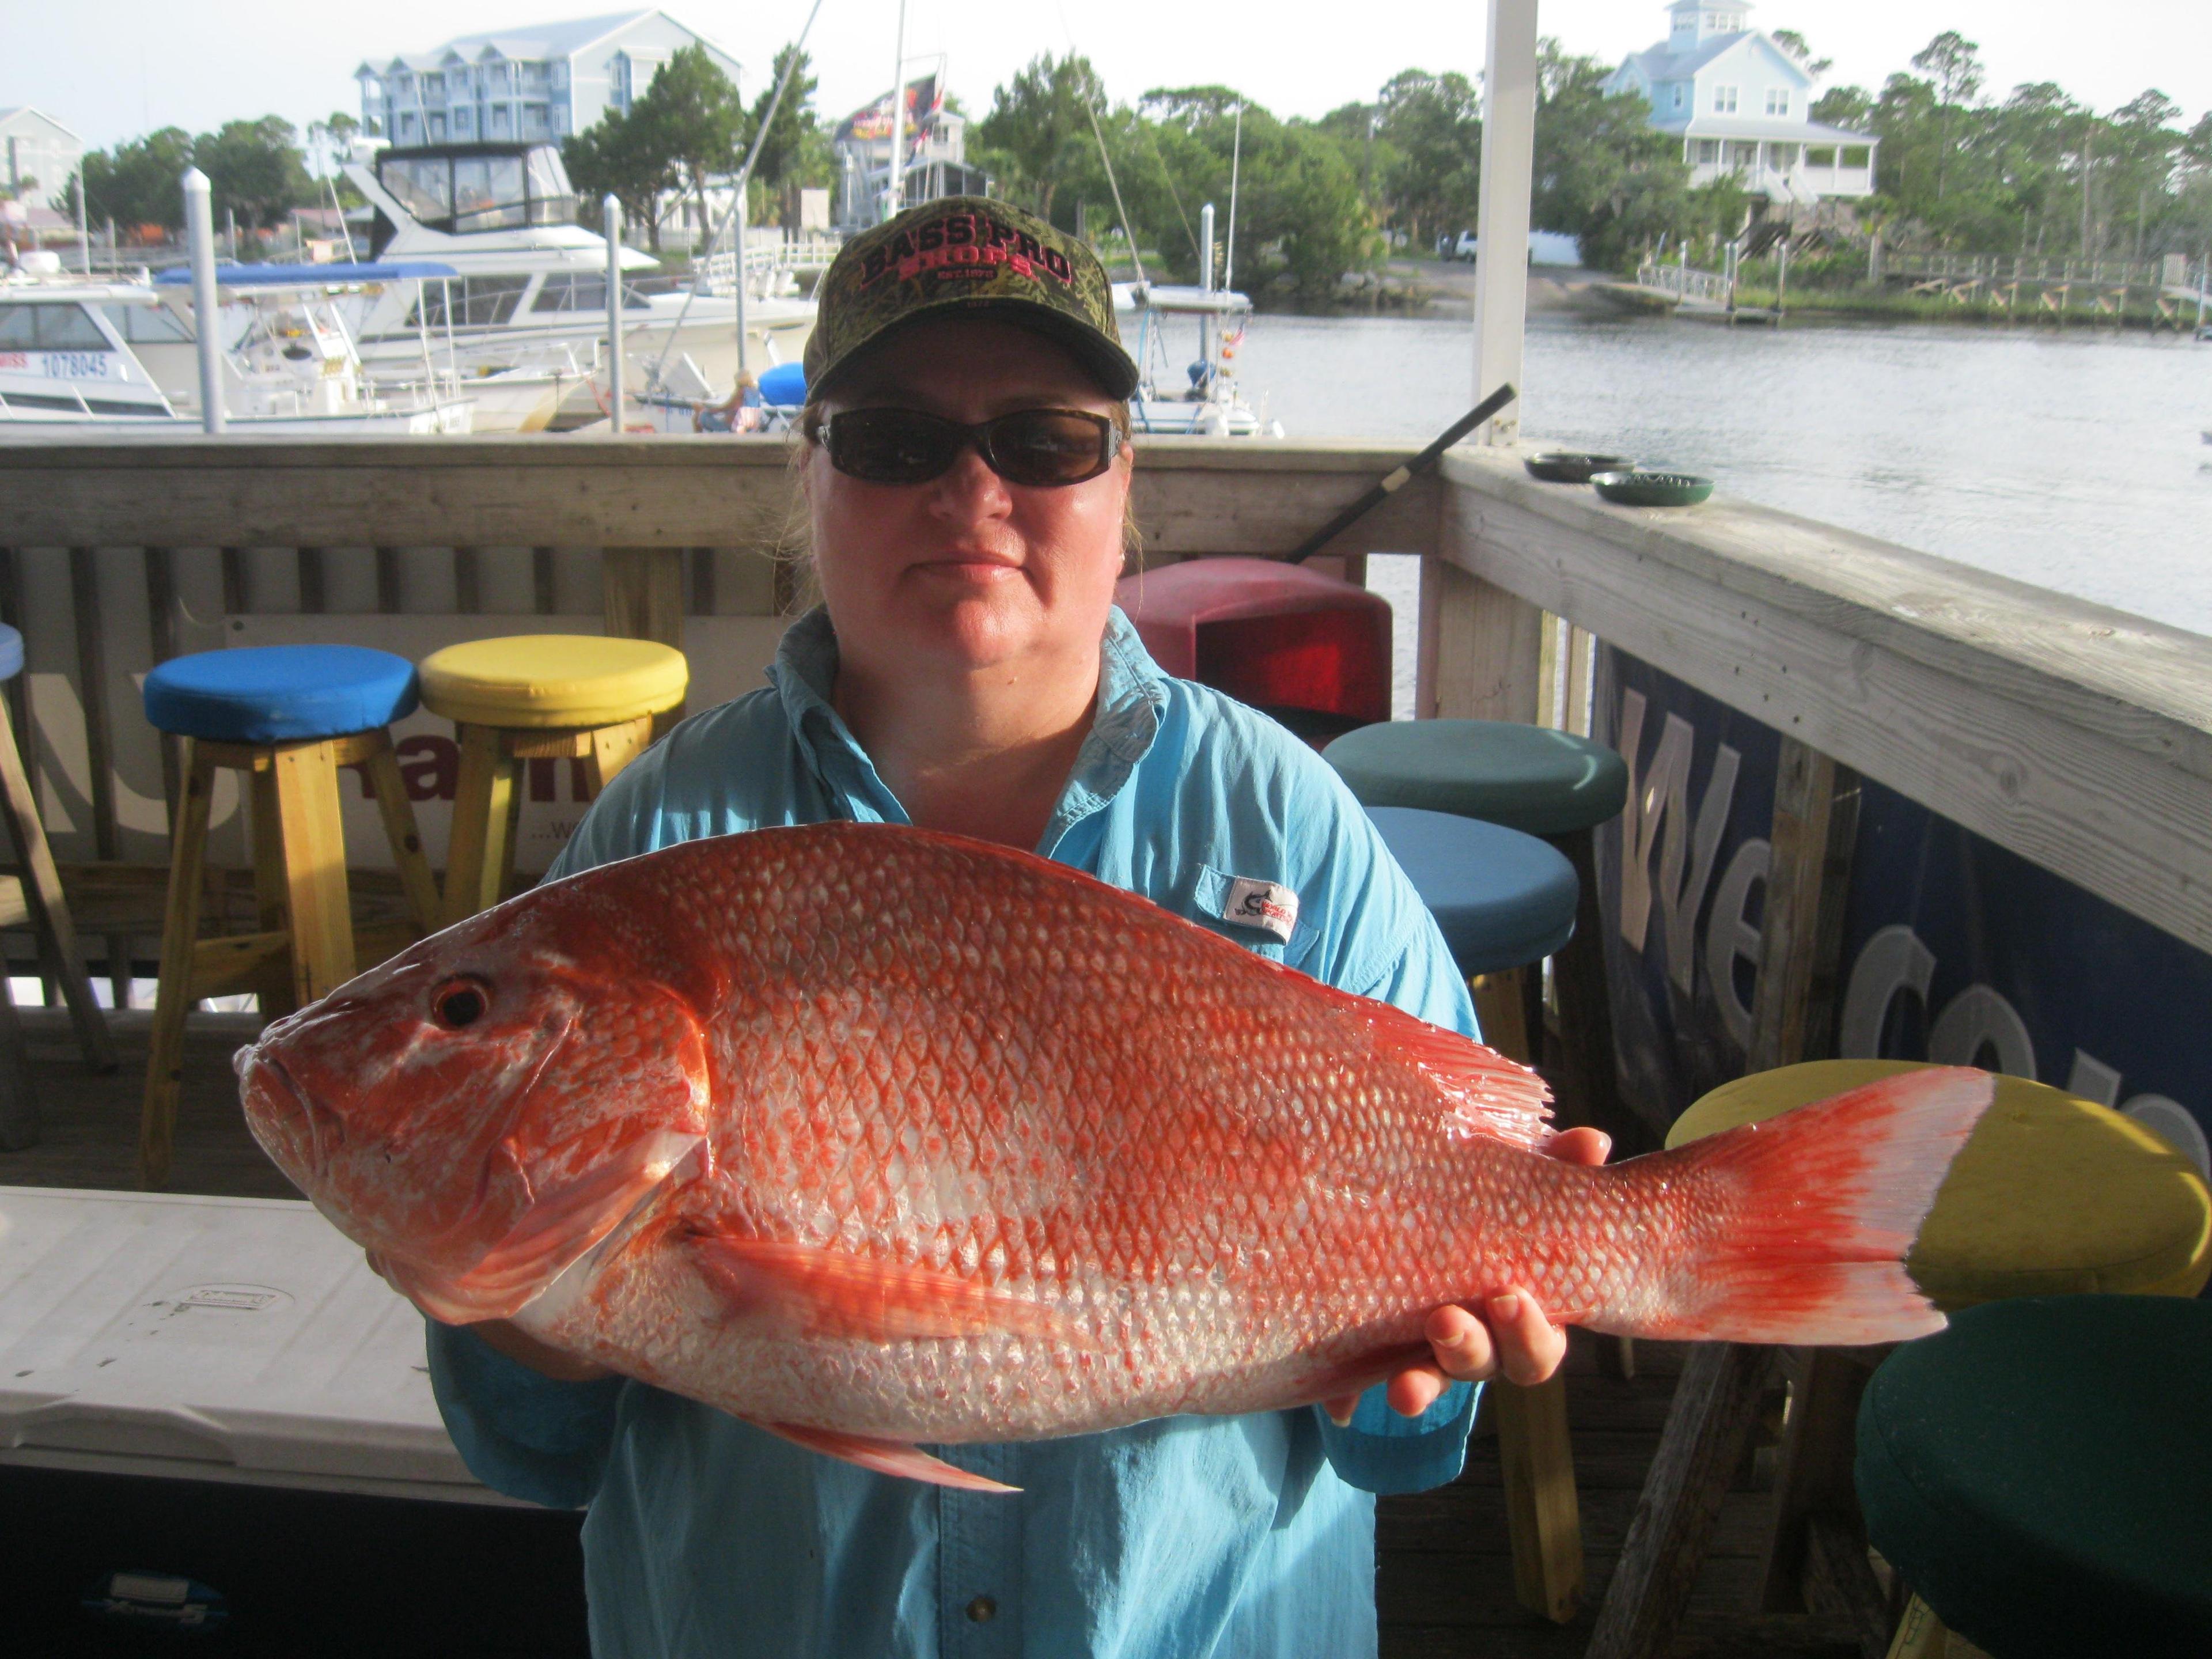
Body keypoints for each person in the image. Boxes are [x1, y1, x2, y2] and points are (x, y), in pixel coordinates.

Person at [423, 196, 1608, 1658]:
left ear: (1127, 484)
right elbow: (531, 1453)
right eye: (894, 442)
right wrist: (542, 1293)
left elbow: (1397, 1453)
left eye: (1042, 440)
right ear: (813, 479)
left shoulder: (1290, 830)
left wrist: (1447, 1339)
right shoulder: (666, 842)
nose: (970, 491)